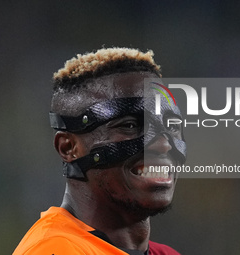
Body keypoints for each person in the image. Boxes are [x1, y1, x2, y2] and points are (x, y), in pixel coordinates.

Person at [13, 47, 186, 255]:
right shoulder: (55, 250)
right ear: (69, 147)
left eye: (171, 126)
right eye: (130, 125)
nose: (164, 144)